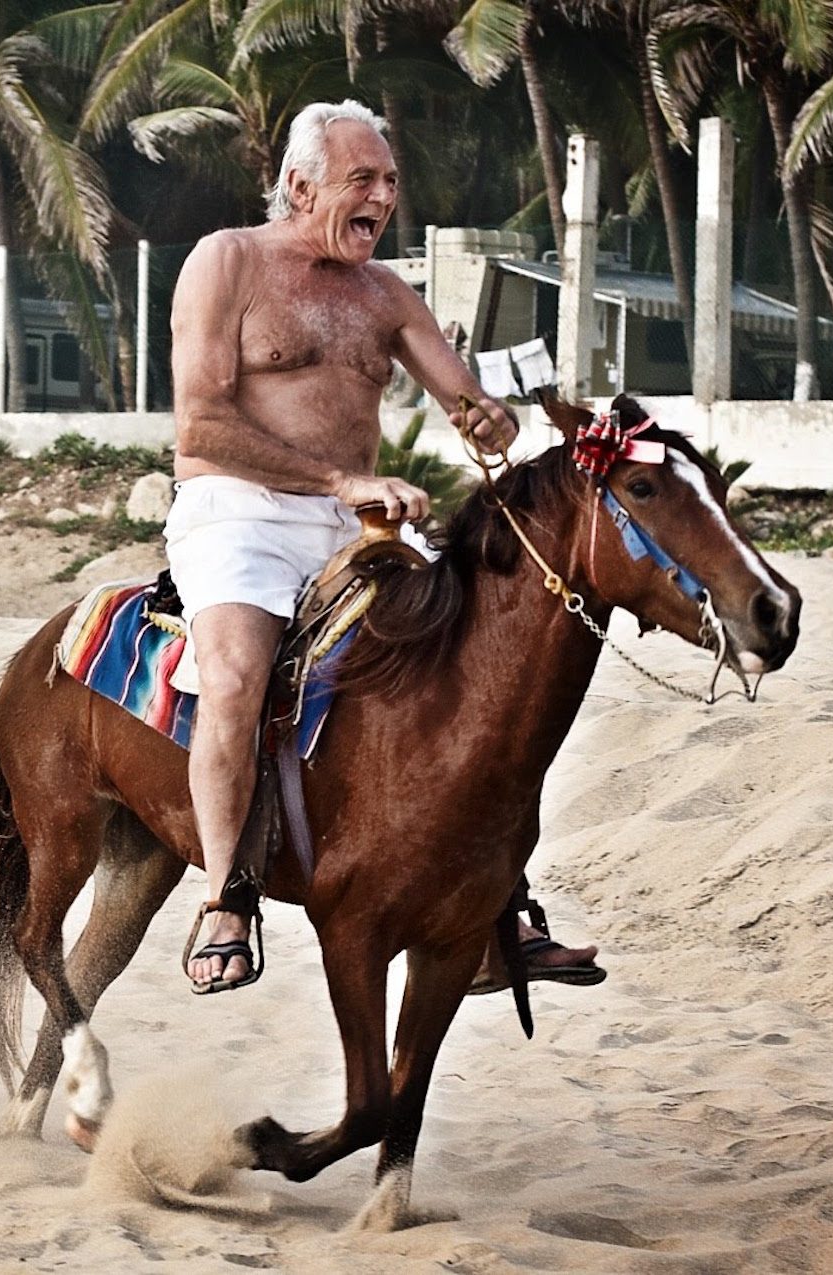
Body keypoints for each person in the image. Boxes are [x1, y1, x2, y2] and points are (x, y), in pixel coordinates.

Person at [164, 99, 604, 994]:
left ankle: (495, 906)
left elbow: (463, 399)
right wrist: (338, 481)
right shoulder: (229, 261)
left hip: (353, 528)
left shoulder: (386, 294)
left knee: (466, 679)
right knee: (239, 675)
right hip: (235, 510)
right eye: (361, 179)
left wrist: (484, 416)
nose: (382, 197)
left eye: (390, 182)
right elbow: (200, 420)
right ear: (299, 185)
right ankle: (225, 895)